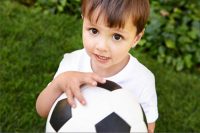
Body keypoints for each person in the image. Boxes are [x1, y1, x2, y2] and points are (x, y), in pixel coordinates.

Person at [36, 0, 158, 132]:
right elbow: (42, 110)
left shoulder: (142, 80)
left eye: (117, 37)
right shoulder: (72, 63)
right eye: (94, 30)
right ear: (83, 20)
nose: (101, 46)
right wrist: (60, 82)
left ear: (136, 38)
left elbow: (147, 127)